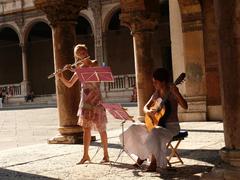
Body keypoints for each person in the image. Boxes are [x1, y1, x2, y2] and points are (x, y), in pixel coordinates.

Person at [120, 68, 188, 172]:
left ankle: (153, 162)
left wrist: (177, 93)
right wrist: (149, 112)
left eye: (155, 82)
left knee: (154, 132)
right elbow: (145, 107)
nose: (153, 84)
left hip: (171, 127)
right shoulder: (157, 93)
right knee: (134, 128)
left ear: (163, 82)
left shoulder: (173, 92)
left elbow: (185, 106)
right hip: (156, 125)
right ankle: (142, 156)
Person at [57, 44, 109, 164]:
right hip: (85, 101)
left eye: (83, 52)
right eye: (79, 54)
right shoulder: (79, 69)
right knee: (86, 129)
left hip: (96, 100)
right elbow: (69, 84)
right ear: (77, 57)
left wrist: (76, 69)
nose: (82, 55)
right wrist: (61, 77)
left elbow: (92, 68)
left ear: (86, 51)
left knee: (101, 128)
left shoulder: (94, 63)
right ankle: (85, 155)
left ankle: (106, 155)